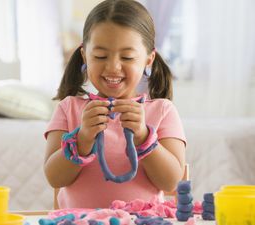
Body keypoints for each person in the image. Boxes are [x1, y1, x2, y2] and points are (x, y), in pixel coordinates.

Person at [44, 0, 186, 209]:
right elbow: (55, 178)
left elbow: (172, 182)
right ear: (85, 55)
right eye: (100, 56)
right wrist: (82, 139)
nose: (112, 67)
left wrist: (143, 137)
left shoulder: (162, 111)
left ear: (149, 60)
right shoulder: (68, 108)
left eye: (127, 57)